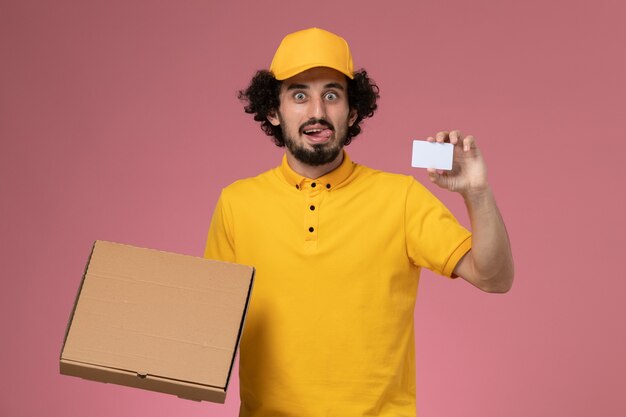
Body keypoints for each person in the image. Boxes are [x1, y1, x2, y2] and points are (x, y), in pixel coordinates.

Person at [204, 27, 514, 417]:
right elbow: (209, 329)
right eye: (299, 95)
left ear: (352, 111)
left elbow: (495, 278)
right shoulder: (237, 203)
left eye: (331, 95)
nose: (317, 112)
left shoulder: (400, 198)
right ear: (273, 110)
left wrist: (478, 193)